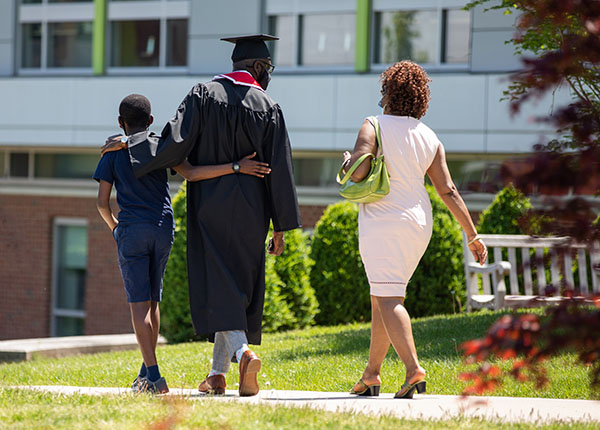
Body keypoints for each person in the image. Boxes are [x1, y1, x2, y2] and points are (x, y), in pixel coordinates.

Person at [101, 35, 301, 397]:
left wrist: (131, 142)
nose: (268, 74)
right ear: (256, 67)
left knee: (222, 284)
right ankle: (216, 375)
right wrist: (280, 228)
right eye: (267, 68)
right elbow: (280, 171)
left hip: (211, 206)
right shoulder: (269, 106)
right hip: (253, 212)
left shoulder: (202, 95)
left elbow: (173, 143)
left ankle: (242, 355)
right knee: (237, 286)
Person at [94, 94, 273, 395]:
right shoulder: (161, 146)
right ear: (151, 121)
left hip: (132, 230)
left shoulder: (112, 154)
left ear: (120, 123)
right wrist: (236, 166)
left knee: (138, 304)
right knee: (153, 300)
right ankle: (144, 372)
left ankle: (153, 376)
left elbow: (101, 203)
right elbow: (192, 173)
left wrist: (116, 229)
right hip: (163, 228)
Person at [342, 61, 488, 399]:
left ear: (388, 92)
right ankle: (372, 374)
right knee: (383, 294)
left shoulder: (373, 124)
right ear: (420, 99)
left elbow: (361, 171)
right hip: (419, 222)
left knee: (388, 296)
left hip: (384, 219)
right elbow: (448, 190)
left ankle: (413, 370)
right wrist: (472, 233)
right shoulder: (429, 136)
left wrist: (349, 162)